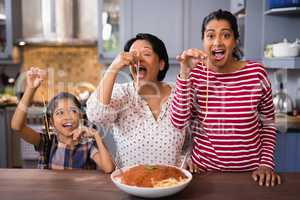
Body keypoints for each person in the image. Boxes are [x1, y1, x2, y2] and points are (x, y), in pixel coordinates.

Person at [170, 9, 281, 187]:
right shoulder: (195, 74)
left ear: (235, 42)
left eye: (226, 35)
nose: (217, 42)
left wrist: (266, 163)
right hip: (204, 173)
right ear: (203, 41)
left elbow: (268, 124)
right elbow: (178, 122)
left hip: (251, 175)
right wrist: (184, 72)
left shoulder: (256, 74)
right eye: (210, 35)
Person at [86, 33, 186, 167]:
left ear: (161, 64)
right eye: (133, 54)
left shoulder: (180, 93)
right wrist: (114, 67)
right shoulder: (121, 93)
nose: (138, 59)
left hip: (172, 183)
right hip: (130, 184)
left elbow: (192, 140)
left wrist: (190, 158)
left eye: (146, 54)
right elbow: (96, 116)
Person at [11, 67, 114, 172]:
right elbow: (17, 127)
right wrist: (30, 89)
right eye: (60, 113)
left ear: (81, 116)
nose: (67, 117)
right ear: (51, 121)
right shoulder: (47, 142)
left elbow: (109, 168)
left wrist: (96, 135)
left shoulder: (87, 145)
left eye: (73, 111)